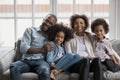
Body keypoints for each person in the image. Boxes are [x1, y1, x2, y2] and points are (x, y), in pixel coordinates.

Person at [10, 14, 57, 80]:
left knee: (45, 69)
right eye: (46, 20)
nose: (47, 23)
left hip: (41, 62)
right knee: (14, 66)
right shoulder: (30, 30)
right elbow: (23, 48)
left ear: (53, 26)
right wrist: (42, 50)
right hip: (26, 61)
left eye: (50, 23)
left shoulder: (51, 36)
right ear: (43, 19)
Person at [65, 14, 103, 80]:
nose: (79, 25)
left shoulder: (90, 37)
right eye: (76, 23)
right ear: (73, 26)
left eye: (81, 23)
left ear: (85, 25)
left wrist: (103, 38)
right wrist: (84, 57)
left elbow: (102, 42)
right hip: (75, 64)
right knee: (85, 60)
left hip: (90, 63)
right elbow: (69, 55)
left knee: (97, 60)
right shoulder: (69, 38)